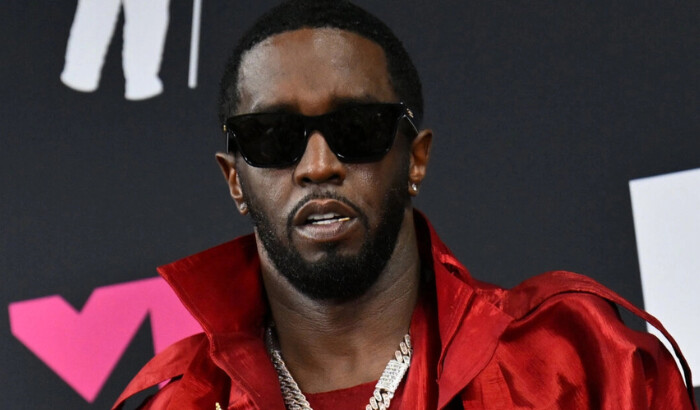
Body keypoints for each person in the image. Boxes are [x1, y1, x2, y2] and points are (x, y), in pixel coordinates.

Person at [113, 1, 696, 409]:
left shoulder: (582, 366)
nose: (318, 165)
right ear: (235, 180)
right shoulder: (184, 403)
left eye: (358, 127)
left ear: (415, 159)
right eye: (273, 136)